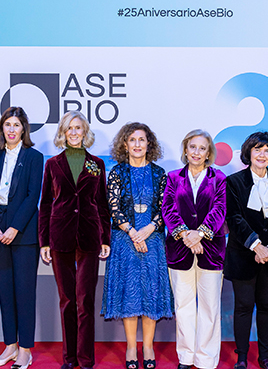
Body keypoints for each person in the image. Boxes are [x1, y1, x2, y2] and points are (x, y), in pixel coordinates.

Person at [39, 111, 111, 369]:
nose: (74, 132)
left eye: (78, 128)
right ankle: (69, 359)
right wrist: (44, 242)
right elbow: (46, 204)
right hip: (60, 237)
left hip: (90, 237)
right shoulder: (52, 164)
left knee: (86, 300)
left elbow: (102, 203)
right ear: (63, 132)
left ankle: (85, 358)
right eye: (69, 128)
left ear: (85, 132)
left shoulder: (96, 164)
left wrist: (106, 237)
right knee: (67, 300)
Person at [102, 122, 173, 369]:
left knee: (150, 295)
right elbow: (113, 208)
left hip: (152, 241)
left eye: (142, 140)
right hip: (125, 241)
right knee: (130, 297)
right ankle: (132, 346)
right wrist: (133, 232)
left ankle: (148, 346)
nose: (137, 144)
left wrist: (149, 229)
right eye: (132, 140)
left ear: (149, 144)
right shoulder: (117, 173)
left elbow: (166, 209)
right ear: (125, 144)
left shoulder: (159, 173)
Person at [224, 131, 268, 369]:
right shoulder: (233, 181)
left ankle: (264, 357)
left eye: (267, 150)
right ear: (249, 153)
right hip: (243, 254)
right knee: (243, 307)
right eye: (257, 149)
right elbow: (233, 218)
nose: (262, 154)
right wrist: (256, 245)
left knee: (267, 307)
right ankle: (242, 357)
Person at [0, 107, 44, 369]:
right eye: (7, 124)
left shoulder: (34, 157)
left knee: (24, 294)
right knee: (5, 293)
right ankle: (10, 347)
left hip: (24, 234)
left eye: (16, 125)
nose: (11, 129)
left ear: (24, 129)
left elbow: (32, 197)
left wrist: (14, 228)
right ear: (1, 128)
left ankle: (25, 350)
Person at [162, 129, 227, 369]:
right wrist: (185, 235)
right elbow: (168, 209)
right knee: (184, 306)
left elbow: (220, 209)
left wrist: (199, 234)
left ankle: (206, 359)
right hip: (179, 250)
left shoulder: (219, 178)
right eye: (192, 147)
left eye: (202, 148)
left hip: (211, 250)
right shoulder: (172, 177)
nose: (196, 152)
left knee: (210, 307)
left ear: (208, 152)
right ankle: (186, 356)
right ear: (185, 150)